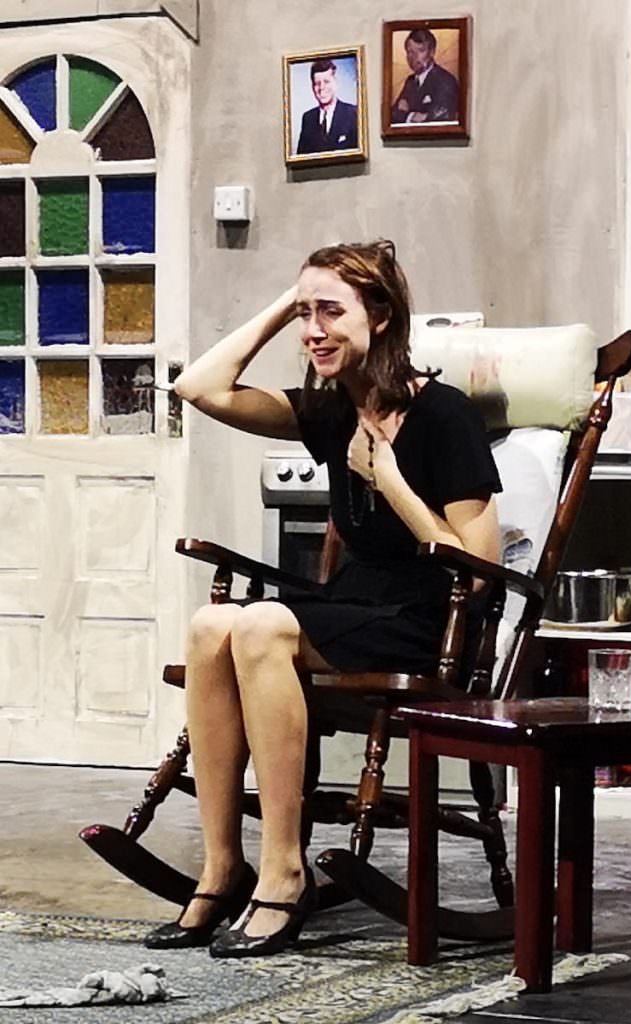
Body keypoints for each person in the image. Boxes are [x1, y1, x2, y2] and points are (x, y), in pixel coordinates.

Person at [143, 240, 502, 959]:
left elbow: (481, 573)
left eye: (331, 312)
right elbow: (199, 388)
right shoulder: (332, 410)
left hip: (423, 624)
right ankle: (222, 868)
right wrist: (291, 302)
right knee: (212, 623)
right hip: (352, 608)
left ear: (381, 316)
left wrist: (389, 480)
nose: (313, 330)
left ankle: (284, 870)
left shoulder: (445, 415)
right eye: (305, 314)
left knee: (260, 625)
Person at [391, 28, 459, 124]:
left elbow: (442, 117)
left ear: (432, 52)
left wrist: (407, 114)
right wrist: (414, 116)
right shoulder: (410, 81)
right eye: (410, 51)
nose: (414, 57)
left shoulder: (446, 81)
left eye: (420, 50)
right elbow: (393, 115)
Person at [296, 59, 358, 154]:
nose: (321, 88)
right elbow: (301, 158)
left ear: (335, 83)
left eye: (326, 82)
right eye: (317, 83)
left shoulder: (353, 113)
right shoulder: (308, 118)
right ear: (312, 87)